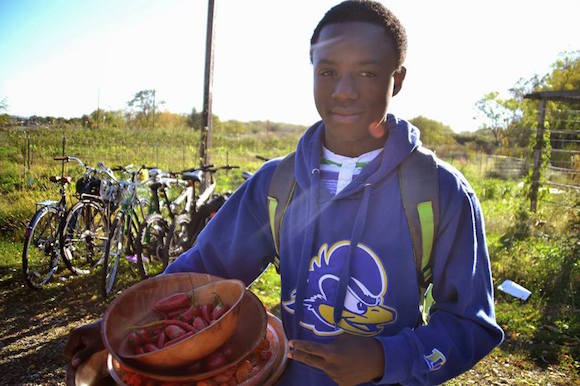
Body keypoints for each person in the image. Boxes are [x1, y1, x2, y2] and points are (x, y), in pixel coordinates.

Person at [65, 1, 504, 384]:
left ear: (398, 78)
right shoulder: (278, 184)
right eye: (328, 71)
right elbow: (204, 273)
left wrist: (385, 358)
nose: (344, 91)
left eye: (367, 72)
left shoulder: (439, 191)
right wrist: (117, 329)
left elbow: (472, 325)